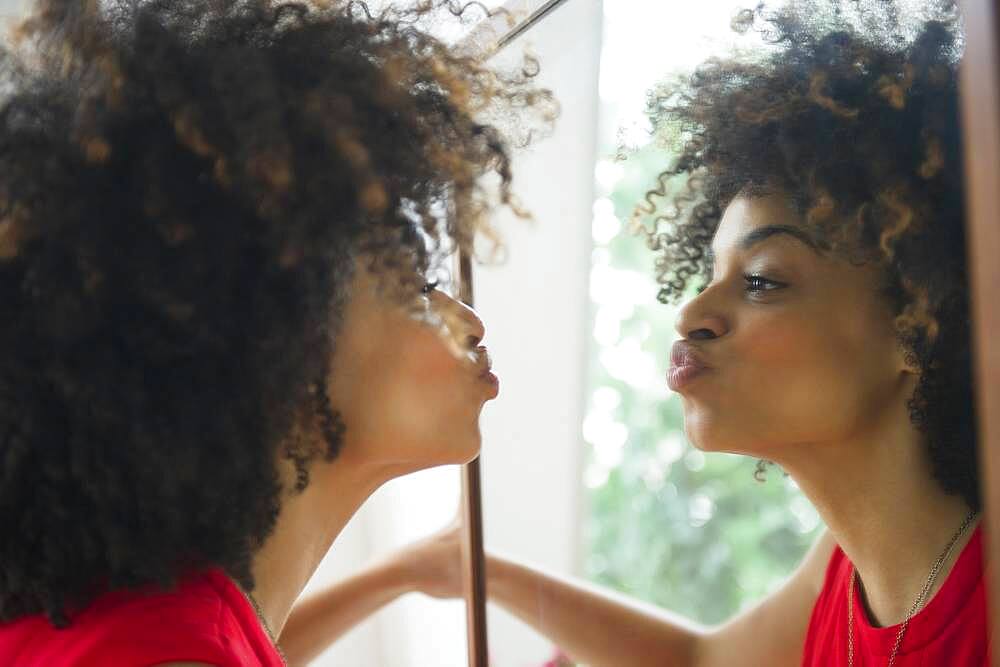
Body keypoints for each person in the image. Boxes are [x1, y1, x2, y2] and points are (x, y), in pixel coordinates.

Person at [311, 1, 987, 665]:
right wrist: (471, 569)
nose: (692, 312)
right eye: (713, 271)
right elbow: (700, 659)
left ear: (916, 324)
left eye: (761, 280)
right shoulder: (843, 574)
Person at [0, 0, 552, 665]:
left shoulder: (154, 624)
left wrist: (397, 573)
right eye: (415, 283)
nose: (470, 321)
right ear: (285, 346)